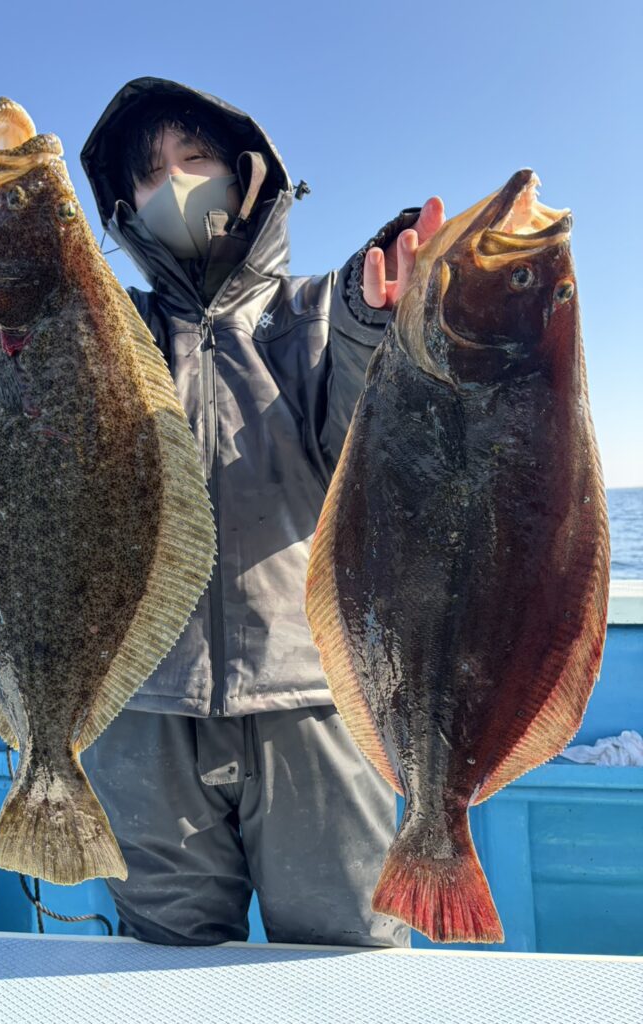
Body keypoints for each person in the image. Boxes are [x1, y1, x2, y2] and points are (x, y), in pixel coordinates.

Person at [79, 77, 444, 947]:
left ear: (246, 175)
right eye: (149, 173)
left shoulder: (320, 315)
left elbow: (367, 450)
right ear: (125, 207)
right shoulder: (105, 329)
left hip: (313, 699)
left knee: (343, 962)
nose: (173, 182)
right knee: (161, 970)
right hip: (140, 712)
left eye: (194, 157)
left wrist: (376, 319)